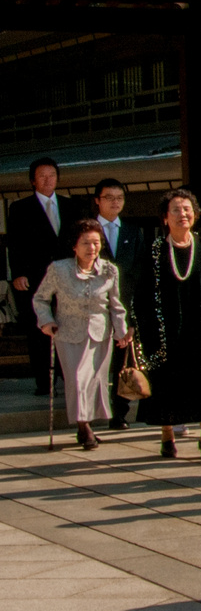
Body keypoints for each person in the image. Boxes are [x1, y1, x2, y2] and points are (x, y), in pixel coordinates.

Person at [135, 189, 201, 459]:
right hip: (165, 332)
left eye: (187, 209)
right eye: (175, 210)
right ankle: (167, 436)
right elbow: (141, 294)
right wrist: (143, 330)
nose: (182, 214)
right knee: (165, 383)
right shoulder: (155, 250)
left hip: (200, 329)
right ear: (165, 218)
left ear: (195, 215)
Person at [33, 219, 131, 450]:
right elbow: (41, 298)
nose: (92, 248)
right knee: (77, 380)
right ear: (74, 246)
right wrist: (46, 321)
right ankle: (83, 427)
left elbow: (115, 305)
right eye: (86, 243)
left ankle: (84, 424)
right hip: (68, 333)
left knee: (94, 381)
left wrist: (122, 330)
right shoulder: (59, 269)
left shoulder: (109, 270)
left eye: (96, 243)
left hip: (100, 333)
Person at [8, 157, 74, 396]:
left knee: (68, 326)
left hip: (68, 277)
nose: (48, 180)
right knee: (39, 330)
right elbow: (14, 244)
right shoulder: (20, 208)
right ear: (33, 181)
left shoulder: (71, 206)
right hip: (36, 278)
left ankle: (69, 378)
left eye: (52, 175)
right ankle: (44, 382)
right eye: (42, 176)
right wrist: (18, 273)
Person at [96, 178, 148, 430]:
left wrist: (131, 313)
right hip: (94, 305)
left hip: (124, 305)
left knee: (121, 360)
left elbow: (139, 271)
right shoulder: (87, 230)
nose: (115, 202)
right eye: (109, 197)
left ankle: (119, 413)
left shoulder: (133, 231)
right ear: (97, 200)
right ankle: (91, 411)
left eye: (119, 197)